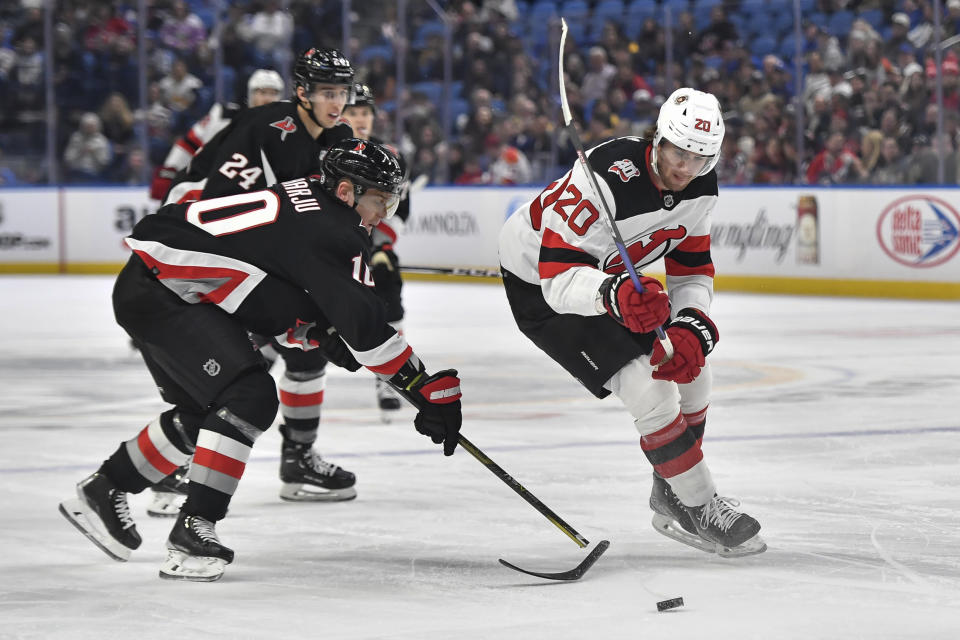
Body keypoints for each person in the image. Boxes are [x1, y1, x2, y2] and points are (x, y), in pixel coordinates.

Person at [58, 139, 463, 582]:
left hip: (155, 282)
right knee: (249, 396)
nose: (383, 213)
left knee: (206, 414)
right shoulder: (335, 230)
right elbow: (365, 327)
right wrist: (421, 385)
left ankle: (106, 487)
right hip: (165, 291)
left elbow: (268, 276)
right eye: (378, 200)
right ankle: (194, 529)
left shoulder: (309, 196)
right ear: (346, 192)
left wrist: (314, 330)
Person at [497, 88, 765, 557]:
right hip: (543, 284)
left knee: (692, 371)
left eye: (699, 158)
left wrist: (690, 323)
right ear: (658, 139)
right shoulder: (606, 179)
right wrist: (612, 294)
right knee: (650, 387)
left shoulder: (702, 186)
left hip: (611, 284)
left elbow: (692, 268)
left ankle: (672, 490)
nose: (685, 168)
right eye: (678, 152)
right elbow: (557, 280)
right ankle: (698, 503)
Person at [149, 48, 359, 513]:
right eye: (327, 92)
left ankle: (298, 457)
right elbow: (215, 203)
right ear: (301, 92)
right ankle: (176, 466)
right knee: (232, 370)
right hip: (216, 251)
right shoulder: (263, 127)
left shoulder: (338, 138)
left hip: (269, 258)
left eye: (341, 92)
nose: (337, 102)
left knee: (307, 355)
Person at [340, 83, 410, 419]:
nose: (360, 118)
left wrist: (380, 246)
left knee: (389, 291)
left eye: (365, 112)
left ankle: (389, 379)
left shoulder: (391, 156)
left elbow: (401, 213)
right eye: (353, 112)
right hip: (333, 245)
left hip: (372, 246)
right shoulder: (328, 153)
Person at [149, 69, 285, 201]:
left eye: (273, 93)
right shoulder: (223, 116)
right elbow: (190, 143)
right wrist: (170, 169)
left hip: (260, 195)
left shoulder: (287, 128)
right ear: (250, 93)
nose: (268, 98)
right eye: (262, 92)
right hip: (214, 191)